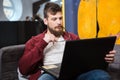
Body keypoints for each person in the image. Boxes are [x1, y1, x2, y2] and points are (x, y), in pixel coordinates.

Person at [19, 2, 116, 80]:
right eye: (54, 19)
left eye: (60, 18)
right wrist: (43, 42)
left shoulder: (73, 38)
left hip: (75, 73)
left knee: (101, 76)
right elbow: (23, 69)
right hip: (51, 75)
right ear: (45, 21)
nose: (59, 22)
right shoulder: (35, 41)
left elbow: (86, 60)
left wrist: (104, 58)